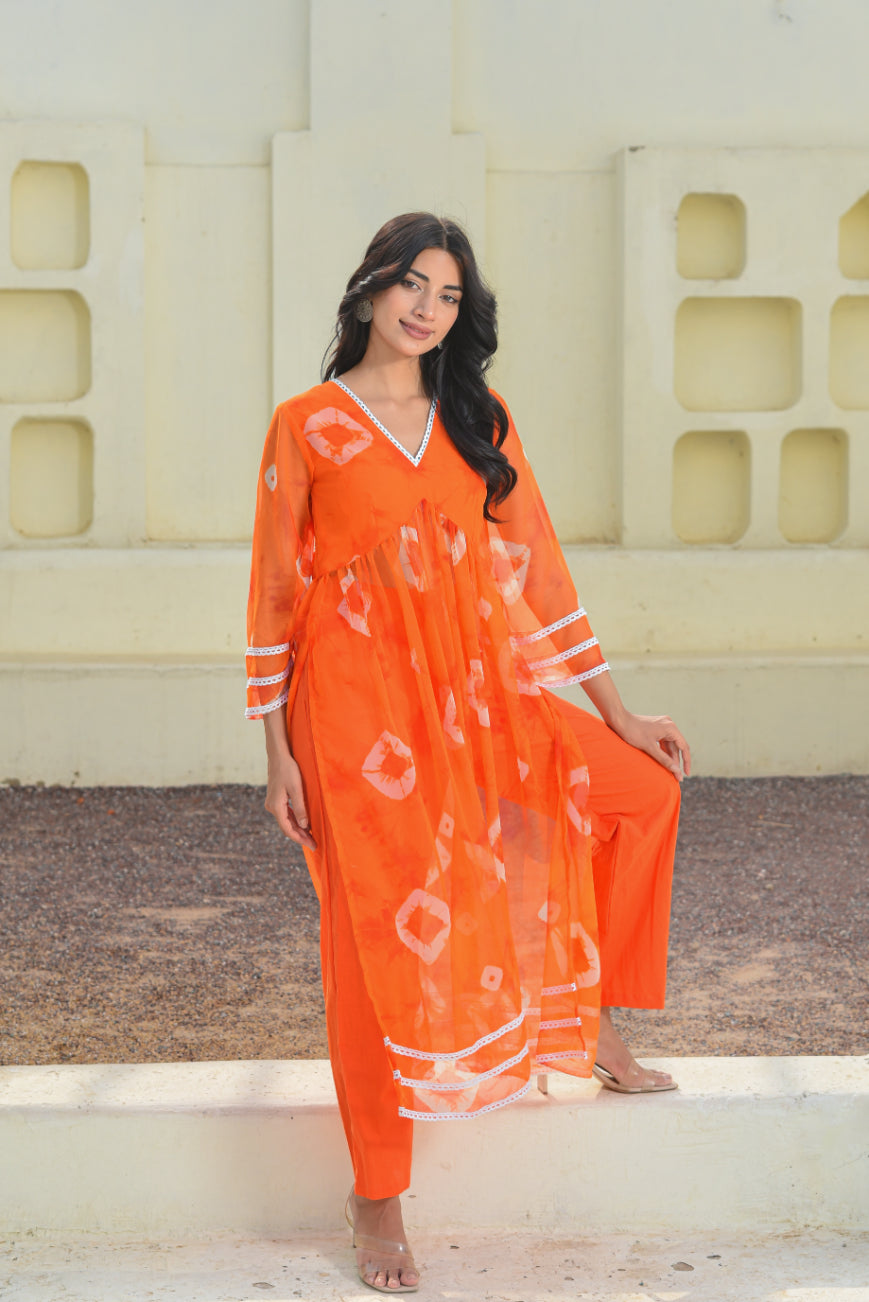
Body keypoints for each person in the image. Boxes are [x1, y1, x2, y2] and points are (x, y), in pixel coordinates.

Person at [246, 212, 690, 1294]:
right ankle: (377, 1193)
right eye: (407, 284)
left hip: (478, 696)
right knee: (368, 951)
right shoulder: (307, 425)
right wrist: (278, 755)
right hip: (350, 719)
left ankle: (582, 1018)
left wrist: (616, 710)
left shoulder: (476, 415)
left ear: (460, 314)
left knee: (637, 793)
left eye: (444, 294)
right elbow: (274, 594)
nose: (423, 307)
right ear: (366, 292)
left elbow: (539, 571)